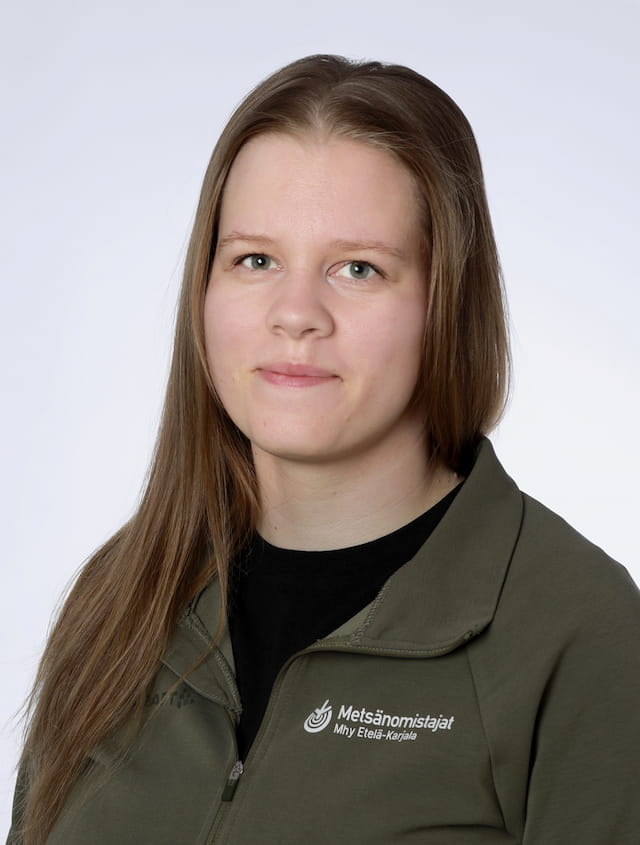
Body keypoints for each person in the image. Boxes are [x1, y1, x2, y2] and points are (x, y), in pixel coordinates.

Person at [7, 54, 640, 845]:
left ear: (447, 302)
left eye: (358, 268)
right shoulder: (120, 597)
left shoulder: (579, 632)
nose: (296, 312)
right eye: (256, 259)